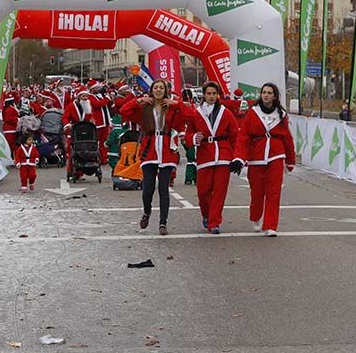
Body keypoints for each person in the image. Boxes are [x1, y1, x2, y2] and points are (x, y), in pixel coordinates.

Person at [120, 79, 191, 236]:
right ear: (151, 90)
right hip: (149, 149)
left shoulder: (171, 107)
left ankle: (163, 223)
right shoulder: (144, 107)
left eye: (161, 88)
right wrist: (138, 99)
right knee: (148, 189)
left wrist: (176, 103)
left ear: (166, 90)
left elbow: (189, 116)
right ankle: (146, 212)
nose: (158, 90)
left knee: (164, 188)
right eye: (156, 87)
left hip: (166, 150)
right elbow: (124, 111)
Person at [232, 82, 296, 236]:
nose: (266, 95)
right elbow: (243, 136)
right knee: (257, 192)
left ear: (274, 96)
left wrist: (290, 159)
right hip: (256, 156)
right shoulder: (253, 112)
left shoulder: (281, 115)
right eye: (264, 92)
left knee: (274, 192)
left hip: (276, 154)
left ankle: (271, 225)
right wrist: (239, 158)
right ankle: (255, 217)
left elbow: (287, 138)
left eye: (269, 92)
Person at [185, 81, 239, 234]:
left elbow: (235, 135)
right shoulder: (197, 113)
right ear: (204, 94)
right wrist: (194, 137)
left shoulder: (225, 112)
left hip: (223, 154)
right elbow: (188, 134)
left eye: (214, 93)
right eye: (208, 93)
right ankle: (206, 215)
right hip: (205, 155)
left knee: (219, 190)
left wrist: (237, 157)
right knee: (203, 190)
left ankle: (214, 222)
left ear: (218, 95)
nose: (211, 96)